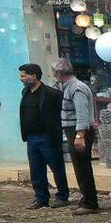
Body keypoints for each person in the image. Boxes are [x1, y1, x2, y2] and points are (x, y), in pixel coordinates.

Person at [18, 63, 70, 209]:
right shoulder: (25, 93)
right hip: (31, 138)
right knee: (36, 169)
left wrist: (58, 131)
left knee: (56, 167)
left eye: (23, 76)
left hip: (48, 136)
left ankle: (62, 196)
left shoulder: (51, 94)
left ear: (33, 76)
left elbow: (61, 113)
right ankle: (41, 197)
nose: (21, 79)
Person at [51, 58, 99, 215]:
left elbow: (82, 113)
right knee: (80, 167)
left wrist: (80, 135)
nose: (53, 76)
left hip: (79, 130)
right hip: (75, 129)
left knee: (82, 167)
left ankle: (90, 202)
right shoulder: (68, 87)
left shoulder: (76, 88)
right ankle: (85, 199)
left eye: (53, 73)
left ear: (58, 73)